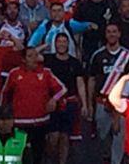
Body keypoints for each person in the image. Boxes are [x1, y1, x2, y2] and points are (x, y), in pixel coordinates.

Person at [0, 47, 67, 164]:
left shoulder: (46, 72)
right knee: (17, 155)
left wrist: (53, 99)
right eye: (30, 56)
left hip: (40, 121)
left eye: (36, 55)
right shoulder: (14, 73)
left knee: (38, 155)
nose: (35, 59)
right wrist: (2, 117)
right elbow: (4, 94)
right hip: (19, 122)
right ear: (23, 59)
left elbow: (62, 89)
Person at [88, 23, 129, 164]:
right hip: (102, 102)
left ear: (119, 34)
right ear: (105, 34)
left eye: (114, 31)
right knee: (102, 137)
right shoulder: (97, 55)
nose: (112, 34)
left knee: (119, 136)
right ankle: (106, 158)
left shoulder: (127, 56)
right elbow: (92, 79)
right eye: (109, 32)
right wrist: (90, 103)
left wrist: (121, 107)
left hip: (121, 103)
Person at [44, 33, 87, 164]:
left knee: (65, 137)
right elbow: (30, 53)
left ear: (68, 44)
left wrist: (84, 104)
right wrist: (44, 46)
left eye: (64, 41)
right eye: (59, 41)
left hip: (70, 104)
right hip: (52, 103)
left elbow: (80, 83)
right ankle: (50, 160)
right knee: (53, 137)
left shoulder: (75, 63)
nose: (62, 44)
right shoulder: (48, 60)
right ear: (55, 44)